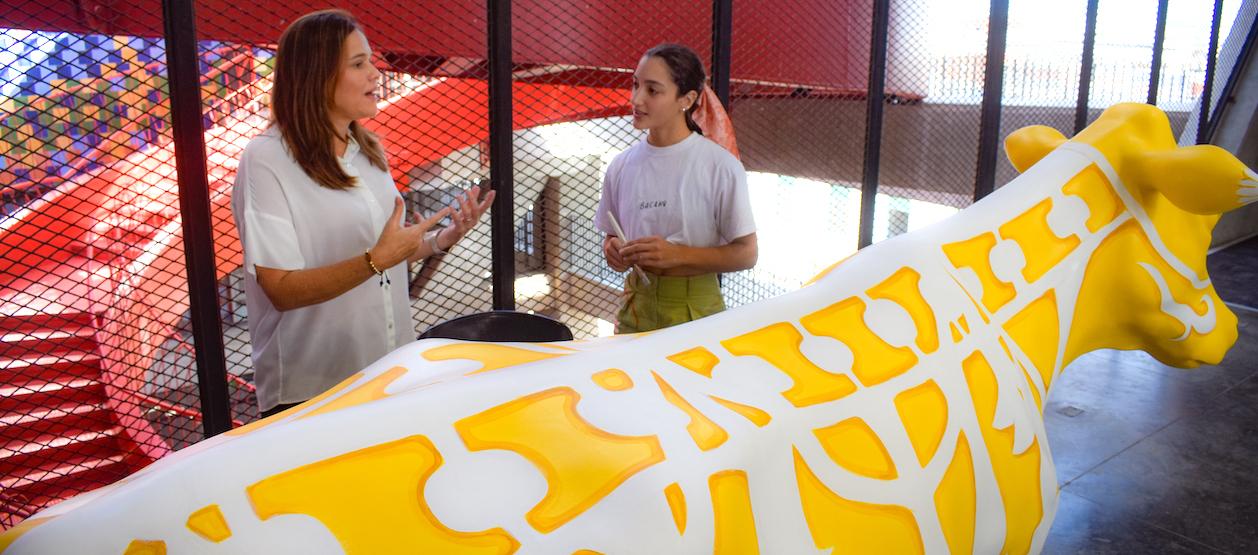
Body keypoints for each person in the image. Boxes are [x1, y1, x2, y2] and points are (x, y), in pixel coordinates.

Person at [231, 9, 494, 417]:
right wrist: (377, 260)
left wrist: (442, 239)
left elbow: (389, 254)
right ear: (317, 75)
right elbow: (280, 288)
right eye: (359, 63)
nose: (375, 73)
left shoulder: (369, 150)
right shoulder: (267, 159)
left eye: (371, 60)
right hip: (314, 390)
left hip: (389, 371)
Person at [595, 43, 757, 334]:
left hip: (696, 308)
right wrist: (613, 250)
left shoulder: (720, 165)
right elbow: (610, 233)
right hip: (635, 305)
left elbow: (747, 253)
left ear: (687, 98)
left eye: (652, 90)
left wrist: (678, 255)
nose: (636, 99)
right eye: (635, 85)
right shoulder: (620, 165)